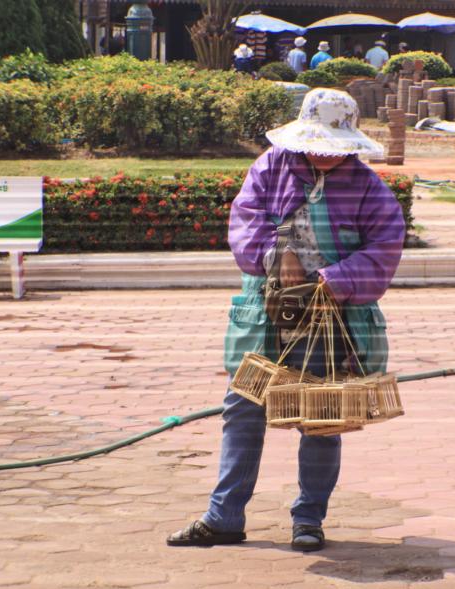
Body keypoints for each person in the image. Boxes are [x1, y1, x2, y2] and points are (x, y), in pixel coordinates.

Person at [166, 88, 405, 551]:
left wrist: (332, 279)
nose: (322, 155)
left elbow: (383, 250)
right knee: (243, 408)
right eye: (315, 145)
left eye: (332, 148)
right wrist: (279, 255)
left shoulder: (370, 188)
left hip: (331, 320)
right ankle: (224, 516)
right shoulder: (270, 168)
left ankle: (309, 520)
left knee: (321, 415)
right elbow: (246, 221)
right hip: (265, 316)